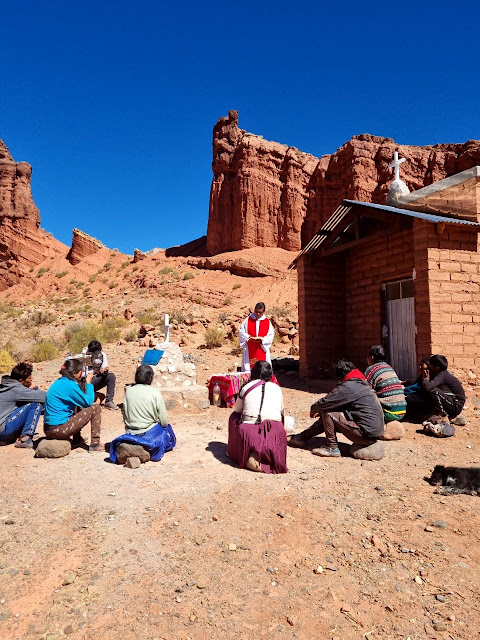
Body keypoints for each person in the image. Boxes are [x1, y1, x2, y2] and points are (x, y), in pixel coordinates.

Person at [289, 360, 384, 457]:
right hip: (374, 432)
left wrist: (314, 409)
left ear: (340, 377)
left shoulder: (348, 386)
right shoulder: (361, 383)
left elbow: (325, 402)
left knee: (328, 413)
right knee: (329, 416)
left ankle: (332, 448)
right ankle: (301, 437)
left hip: (365, 434)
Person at [227, 360, 287, 473]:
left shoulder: (246, 387)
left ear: (253, 372)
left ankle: (244, 453)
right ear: (270, 374)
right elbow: (281, 411)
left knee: (233, 417)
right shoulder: (277, 388)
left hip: (249, 431)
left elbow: (237, 410)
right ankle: (268, 454)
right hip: (274, 431)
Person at [109, 365, 176, 463]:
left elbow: (125, 414)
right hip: (149, 432)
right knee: (167, 432)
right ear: (151, 378)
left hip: (130, 432)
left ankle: (133, 446)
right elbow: (164, 420)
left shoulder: (128, 392)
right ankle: (146, 450)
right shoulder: (154, 392)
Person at [43, 359, 103, 452]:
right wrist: (88, 383)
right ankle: (95, 444)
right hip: (58, 430)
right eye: (81, 371)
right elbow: (88, 402)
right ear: (74, 373)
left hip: (49, 428)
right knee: (96, 409)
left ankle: (77, 439)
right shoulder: (70, 385)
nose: (82, 373)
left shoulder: (59, 382)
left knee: (76, 405)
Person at [406, 354, 465, 427]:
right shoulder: (437, 374)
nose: (429, 366)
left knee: (433, 390)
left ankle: (442, 415)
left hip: (455, 405)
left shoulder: (442, 375)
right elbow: (419, 384)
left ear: (436, 368)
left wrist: (425, 378)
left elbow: (427, 387)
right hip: (449, 400)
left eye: (430, 365)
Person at [0, 362, 46, 448]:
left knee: (25, 405)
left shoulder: (5, 386)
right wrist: (35, 389)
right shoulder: (17, 390)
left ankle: (13, 437)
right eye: (29, 379)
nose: (31, 381)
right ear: (21, 381)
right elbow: (44, 397)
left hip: (3, 429)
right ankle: (25, 438)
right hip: (3, 431)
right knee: (36, 404)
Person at [364, 345, 406, 423]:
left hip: (388, 412)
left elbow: (365, 391)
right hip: (402, 411)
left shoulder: (371, 369)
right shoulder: (388, 367)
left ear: (372, 357)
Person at [238, 302, 275, 373]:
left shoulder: (267, 322)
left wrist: (262, 341)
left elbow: (270, 335)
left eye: (260, 312)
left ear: (263, 312)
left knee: (262, 368)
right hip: (250, 346)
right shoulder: (248, 320)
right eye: (256, 312)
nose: (258, 314)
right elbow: (241, 331)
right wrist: (249, 337)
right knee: (249, 367)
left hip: (261, 347)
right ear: (254, 310)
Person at [84, 340, 118, 410]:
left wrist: (104, 371)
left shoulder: (102, 355)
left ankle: (109, 401)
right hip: (84, 381)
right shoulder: (84, 356)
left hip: (95, 379)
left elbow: (103, 369)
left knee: (111, 376)